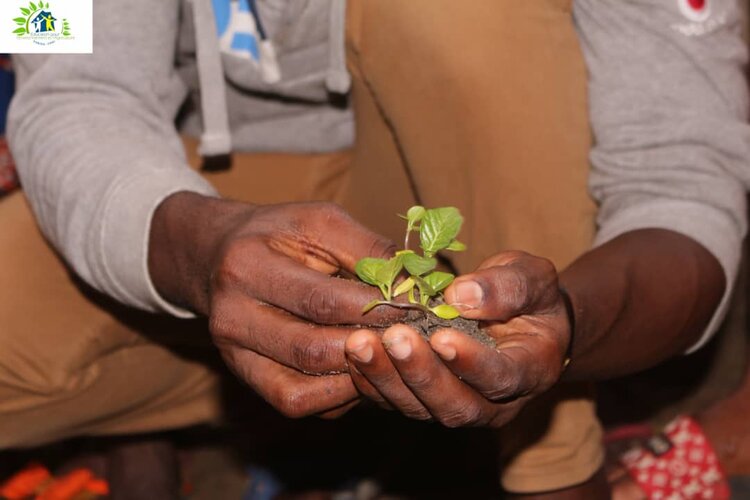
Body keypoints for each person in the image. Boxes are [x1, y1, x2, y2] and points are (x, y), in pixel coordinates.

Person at [2, 0, 748, 498]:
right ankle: (252, 416)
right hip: (213, 187)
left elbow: (680, 179)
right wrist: (196, 252)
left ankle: (548, 465)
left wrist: (572, 324)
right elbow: (72, 81)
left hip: (490, 183)